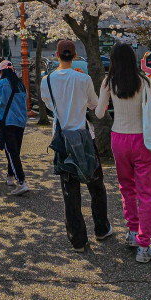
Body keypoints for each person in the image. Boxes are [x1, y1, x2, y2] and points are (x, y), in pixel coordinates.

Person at [40, 39, 110, 251]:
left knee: (70, 192)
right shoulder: (83, 78)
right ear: (75, 56)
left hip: (62, 140)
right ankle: (101, 229)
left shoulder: (47, 81)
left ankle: (78, 240)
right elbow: (94, 104)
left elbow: (49, 105)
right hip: (84, 138)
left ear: (57, 56)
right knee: (96, 185)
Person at [96, 43, 151, 263]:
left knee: (127, 187)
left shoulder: (108, 82)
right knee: (147, 193)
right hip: (142, 139)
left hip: (119, 139)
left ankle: (132, 231)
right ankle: (144, 246)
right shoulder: (144, 81)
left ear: (113, 60)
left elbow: (99, 112)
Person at [0, 61, 29, 195]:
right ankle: (10, 176)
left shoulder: (1, 84)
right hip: (21, 121)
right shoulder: (21, 85)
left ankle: (21, 181)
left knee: (11, 151)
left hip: (7, 122)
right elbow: (25, 100)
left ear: (1, 72)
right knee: (14, 151)